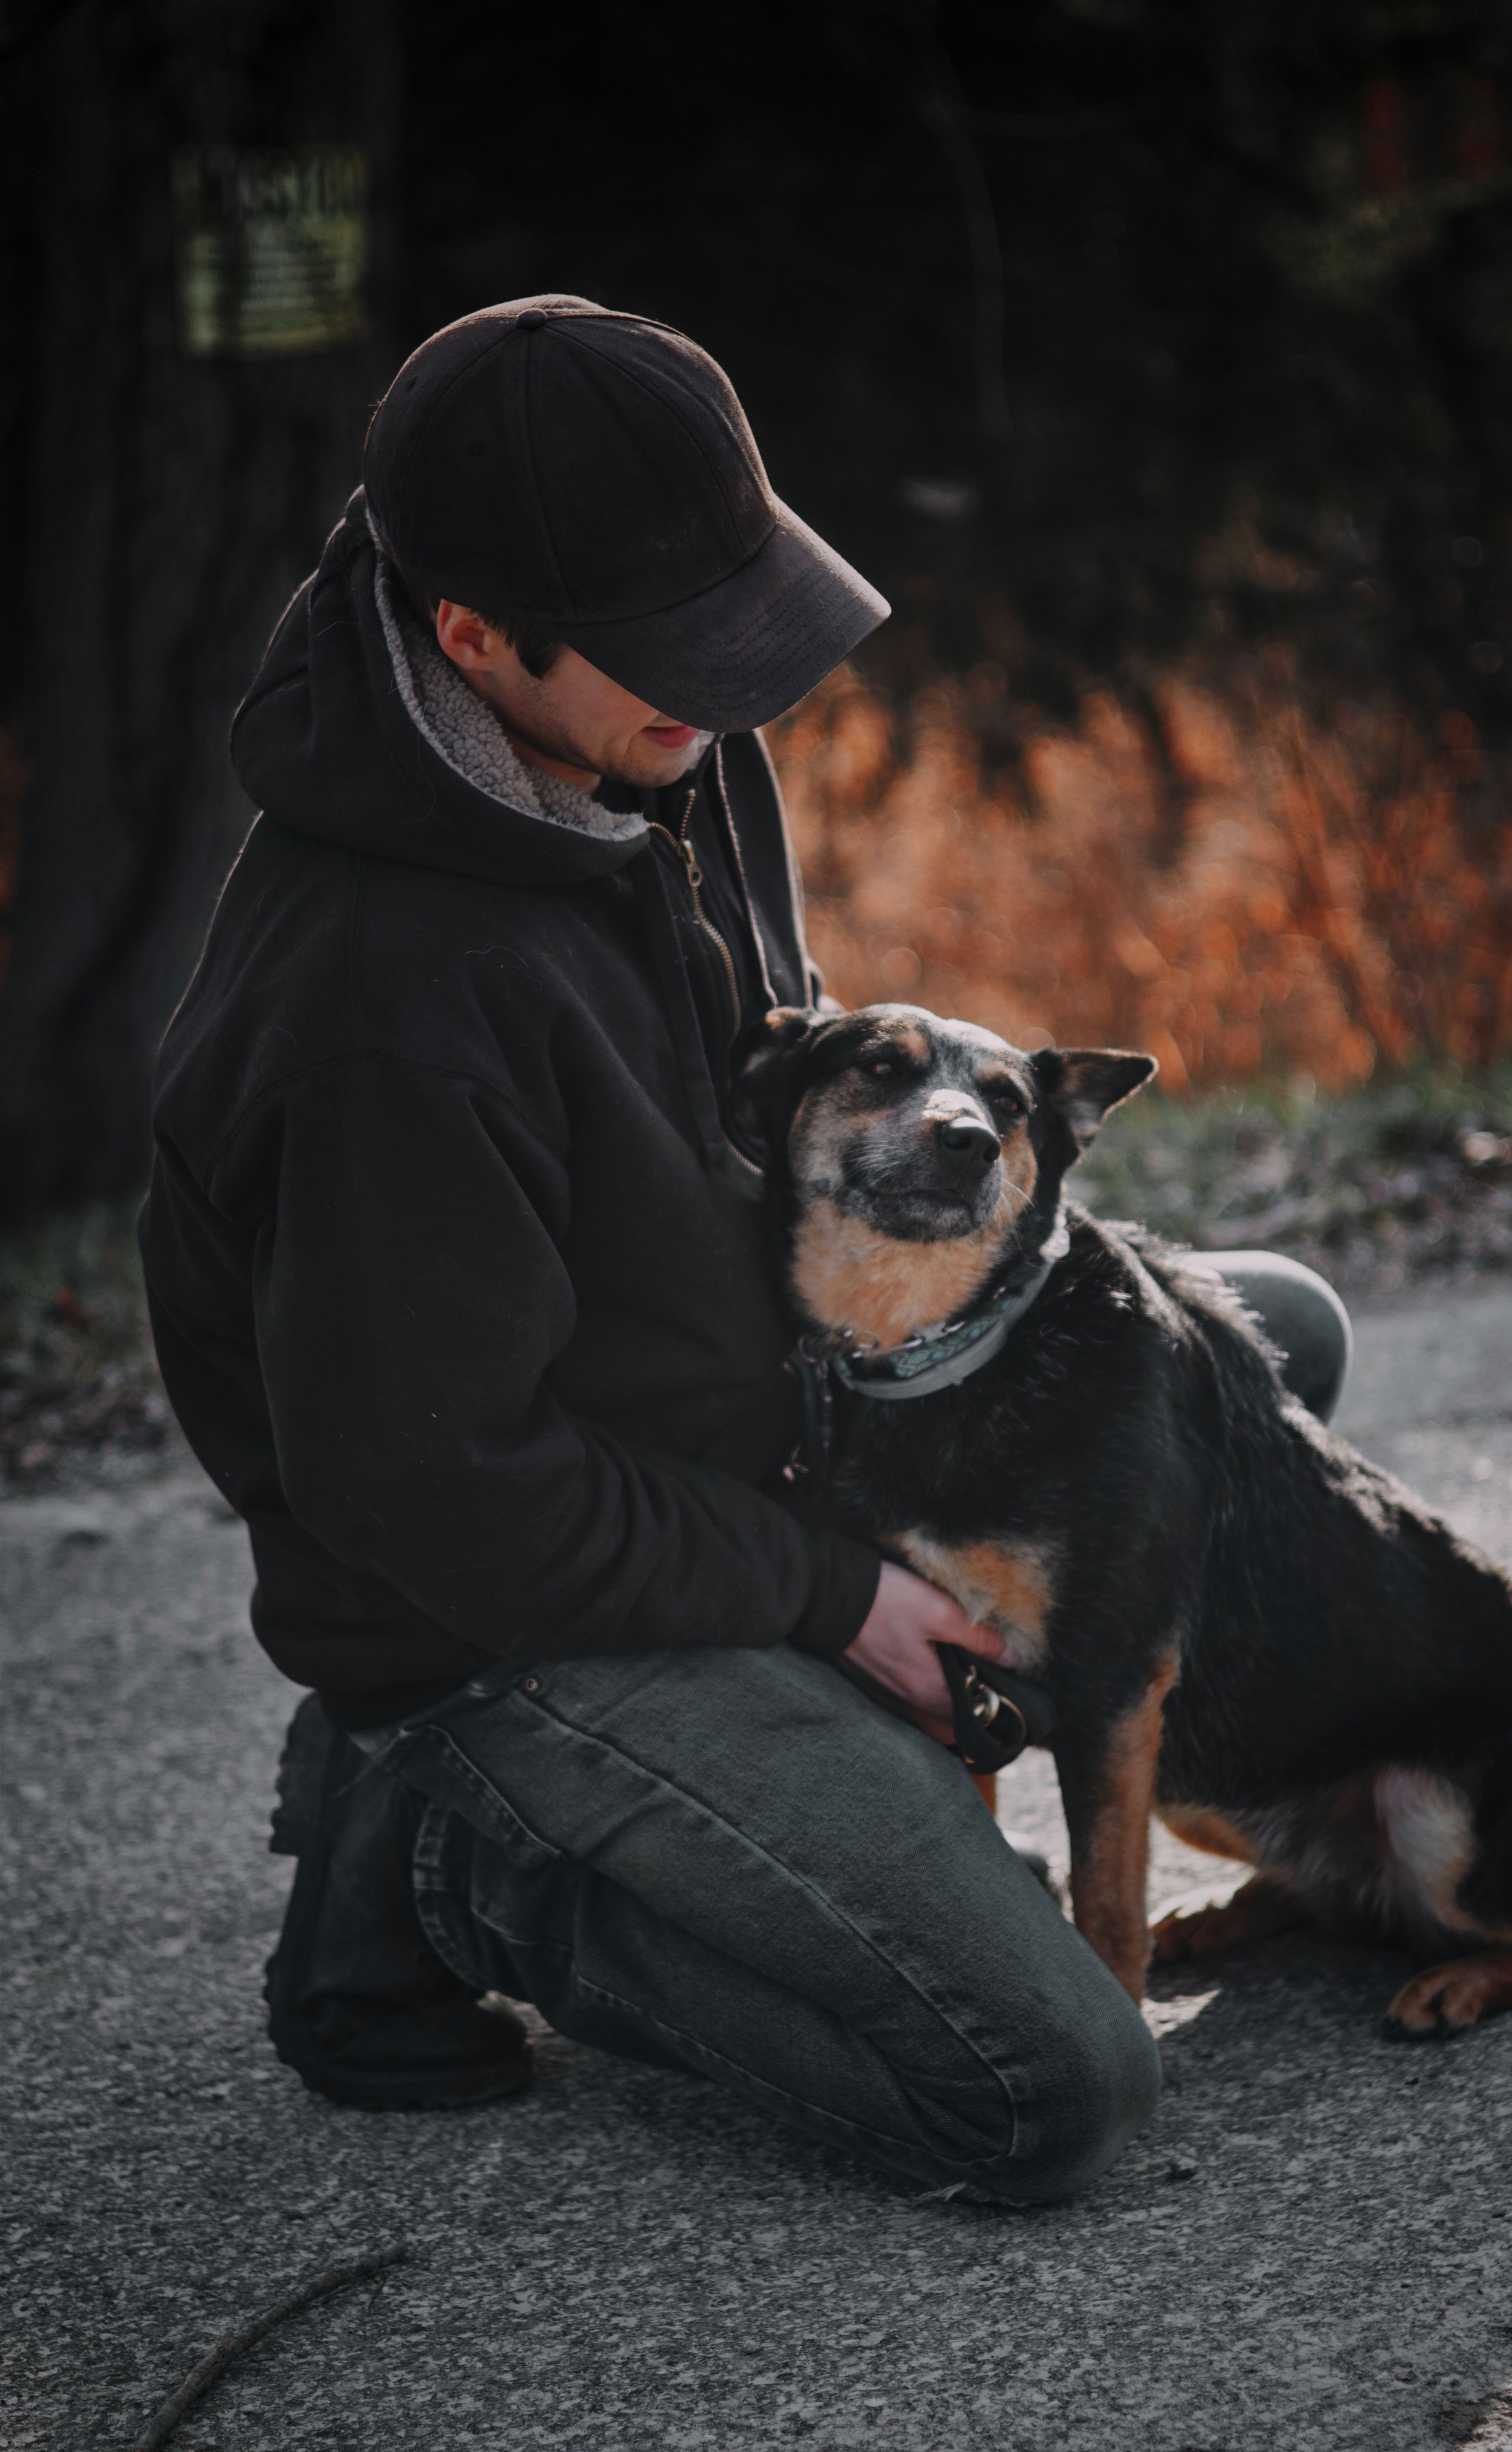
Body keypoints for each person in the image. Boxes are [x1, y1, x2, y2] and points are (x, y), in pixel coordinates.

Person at [140, 295, 1349, 2203]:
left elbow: (724, 1100)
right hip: (509, 1603)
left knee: (1249, 1344)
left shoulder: (632, 733)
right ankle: (451, 1857)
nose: (733, 694)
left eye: (741, 623)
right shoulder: (386, 1004)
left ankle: (639, 1789)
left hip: (744, 1436)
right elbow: (441, 1494)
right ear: (468, 637)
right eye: (675, 655)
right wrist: (829, 1596)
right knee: (1052, 2091)